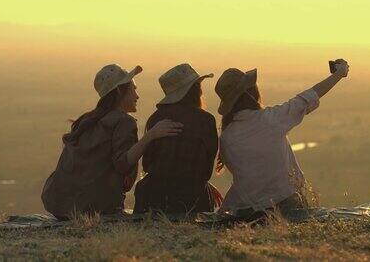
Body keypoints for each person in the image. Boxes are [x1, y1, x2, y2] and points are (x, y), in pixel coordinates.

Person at [41, 64, 182, 220]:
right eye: (133, 90)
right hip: (94, 208)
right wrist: (151, 135)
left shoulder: (88, 119)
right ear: (120, 91)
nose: (137, 96)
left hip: (60, 204)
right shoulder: (124, 121)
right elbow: (122, 163)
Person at [215, 59, 350, 221]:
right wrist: (339, 74)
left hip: (246, 211)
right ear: (253, 92)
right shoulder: (271, 119)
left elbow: (247, 178)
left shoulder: (226, 138)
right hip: (286, 205)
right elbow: (309, 96)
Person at [134, 63, 221, 215]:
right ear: (195, 90)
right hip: (193, 200)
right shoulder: (206, 120)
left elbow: (148, 164)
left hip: (154, 200)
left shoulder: (156, 119)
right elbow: (206, 169)